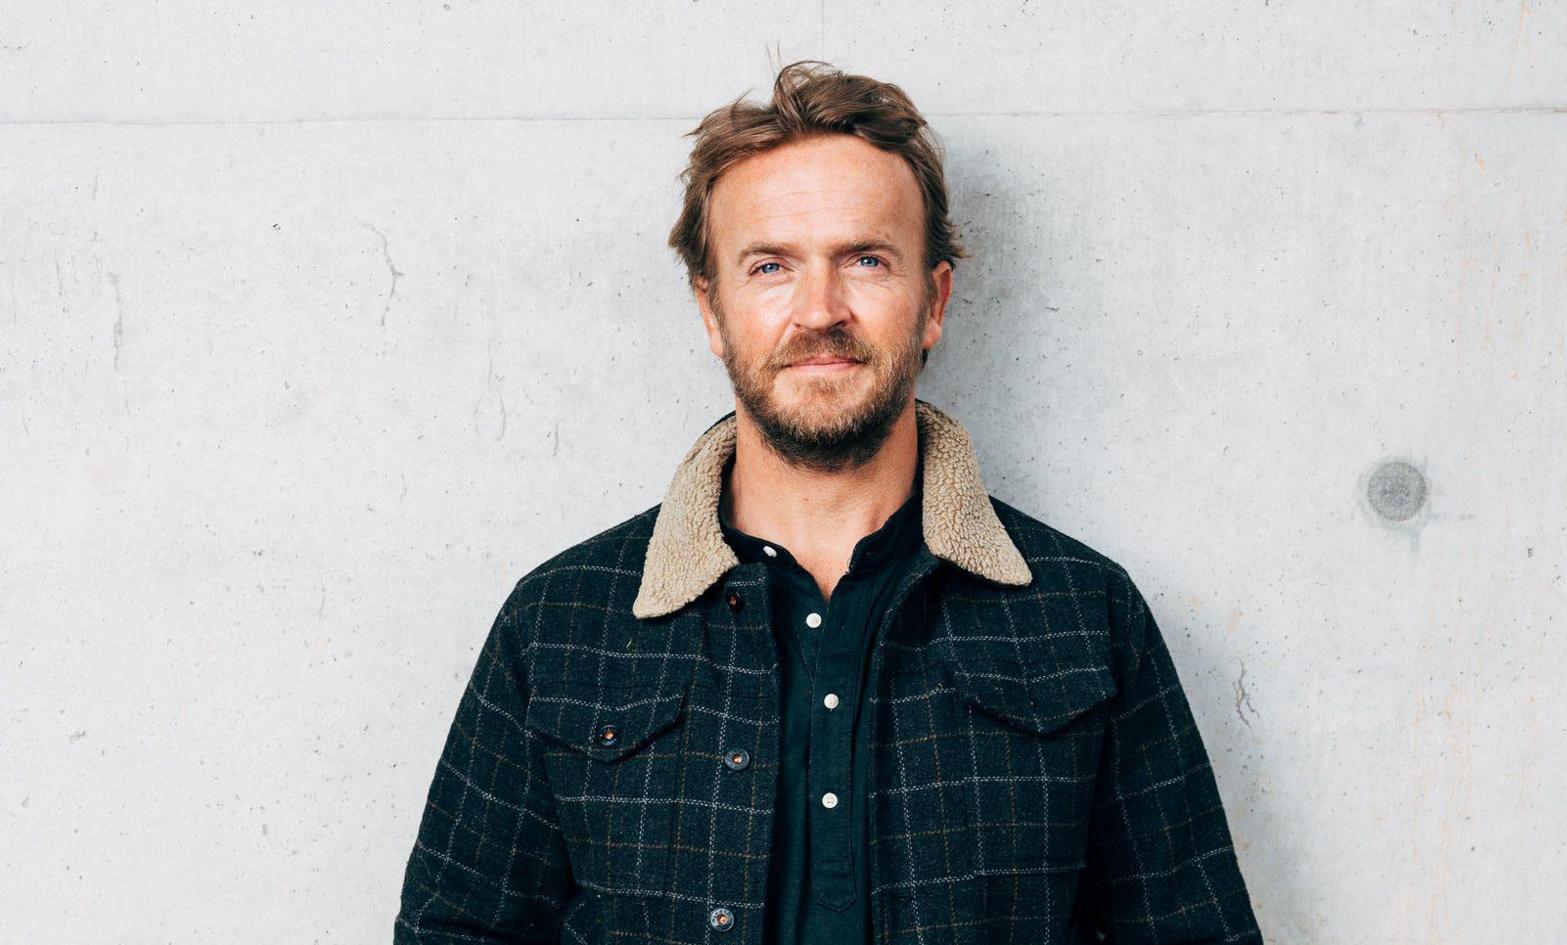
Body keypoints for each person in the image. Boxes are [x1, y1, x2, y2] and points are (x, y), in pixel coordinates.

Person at [394, 59, 1262, 945]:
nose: (819, 309)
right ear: (710, 308)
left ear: (933, 300)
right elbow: (454, 931)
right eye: (770, 265)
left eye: (867, 260)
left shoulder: (1084, 616)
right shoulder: (560, 623)